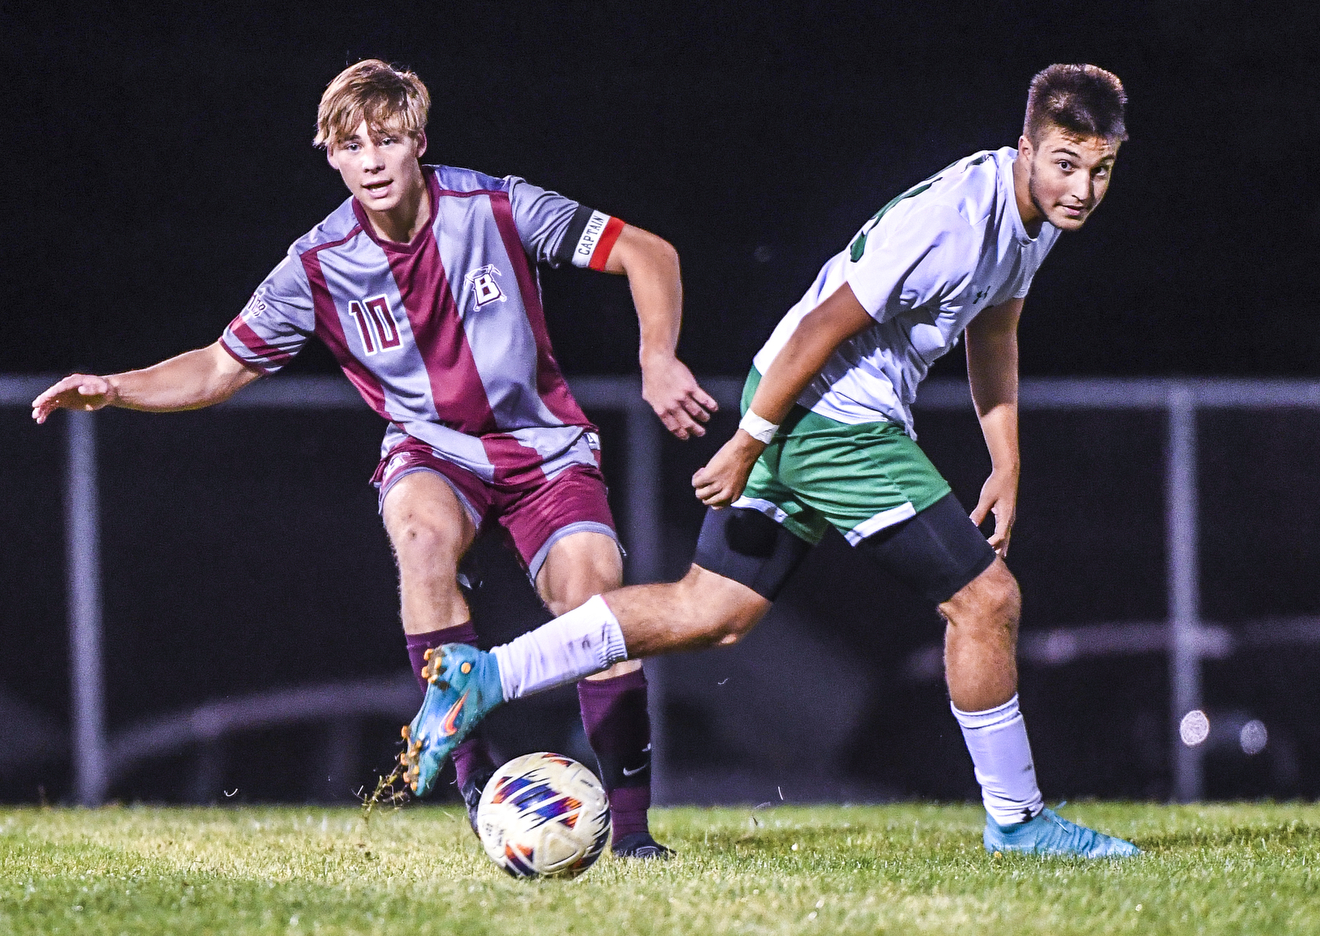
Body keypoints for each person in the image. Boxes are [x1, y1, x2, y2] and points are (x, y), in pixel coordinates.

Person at [399, 64, 1141, 858]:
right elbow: (823, 324)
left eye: (1100, 169)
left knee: (710, 612)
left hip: (802, 407)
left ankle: (486, 676)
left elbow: (995, 328)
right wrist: (750, 440)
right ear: (1025, 147)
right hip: (825, 418)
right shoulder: (957, 217)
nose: (1084, 187)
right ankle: (1019, 822)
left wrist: (1007, 459)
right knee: (985, 599)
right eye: (1066, 163)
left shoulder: (1030, 219)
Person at [31, 59, 717, 859]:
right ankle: (481, 790)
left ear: (419, 141)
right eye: (352, 146)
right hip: (432, 452)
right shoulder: (317, 265)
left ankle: (632, 835)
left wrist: (657, 357)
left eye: (388, 141)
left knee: (593, 603)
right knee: (421, 539)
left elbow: (648, 252)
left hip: (544, 452)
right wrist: (116, 387)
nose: (372, 160)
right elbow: (220, 366)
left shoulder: (497, 204)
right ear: (330, 155)